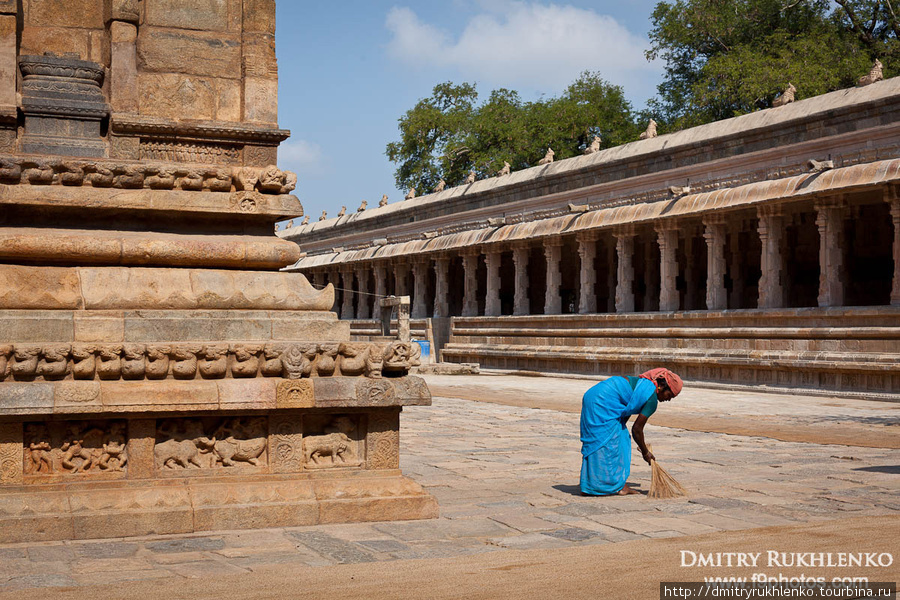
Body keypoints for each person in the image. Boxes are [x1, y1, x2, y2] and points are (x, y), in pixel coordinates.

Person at [579, 368, 683, 496]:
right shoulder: (652, 400)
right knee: (611, 443)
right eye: (670, 395)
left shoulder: (642, 385)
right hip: (602, 402)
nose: (669, 399)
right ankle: (614, 486)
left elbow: (625, 407)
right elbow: (637, 429)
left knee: (606, 439)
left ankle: (592, 485)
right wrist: (645, 452)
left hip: (593, 395)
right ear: (662, 386)